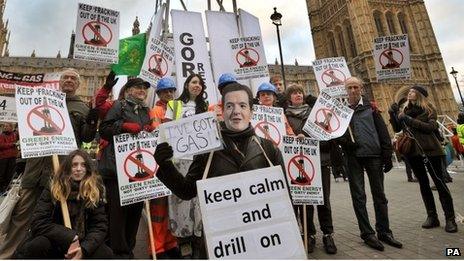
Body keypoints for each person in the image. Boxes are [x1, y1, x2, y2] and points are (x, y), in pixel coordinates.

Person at [0, 68, 98, 259]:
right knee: (21, 216)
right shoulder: (41, 99)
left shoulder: (82, 108)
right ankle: (6, 255)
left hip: (60, 171)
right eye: (65, 77)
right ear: (59, 82)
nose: (69, 80)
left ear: (78, 84)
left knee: (56, 218)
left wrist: (93, 120)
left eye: (73, 78)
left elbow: (86, 137)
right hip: (35, 169)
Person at [154, 83, 285, 199]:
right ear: (222, 112)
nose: (236, 111)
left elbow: (285, 198)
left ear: (251, 112)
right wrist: (166, 166)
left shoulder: (269, 149)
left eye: (242, 105)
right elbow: (187, 191)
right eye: (229, 106)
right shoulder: (207, 150)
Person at [339, 77, 402, 251]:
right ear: (346, 90)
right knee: (359, 196)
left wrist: (387, 154)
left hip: (373, 155)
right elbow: (337, 133)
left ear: (361, 88)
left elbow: (382, 130)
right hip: (353, 157)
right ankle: (367, 233)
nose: (353, 90)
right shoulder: (342, 111)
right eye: (350, 87)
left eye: (356, 87)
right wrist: (346, 142)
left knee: (379, 195)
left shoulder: (371, 107)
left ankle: (384, 231)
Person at [14, 150, 113, 258]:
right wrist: (70, 237)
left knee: (105, 253)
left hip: (83, 242)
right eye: (74, 165)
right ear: (67, 168)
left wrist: (84, 249)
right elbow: (39, 221)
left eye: (83, 165)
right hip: (55, 241)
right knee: (38, 245)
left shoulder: (94, 189)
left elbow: (99, 225)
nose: (79, 169)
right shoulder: (54, 187)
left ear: (88, 168)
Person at [389, 85, 458, 233]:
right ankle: (432, 217)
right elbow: (397, 129)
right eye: (410, 92)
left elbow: (430, 127)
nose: (409, 93)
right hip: (413, 152)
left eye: (413, 91)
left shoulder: (429, 109)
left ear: (420, 95)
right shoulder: (404, 110)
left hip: (431, 150)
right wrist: (393, 114)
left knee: (440, 183)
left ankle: (450, 219)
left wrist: (408, 119)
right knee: (424, 185)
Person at [98, 77, 154, 258]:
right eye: (138, 87)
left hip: (138, 170)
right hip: (116, 169)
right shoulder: (119, 106)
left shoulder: (146, 110)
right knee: (118, 213)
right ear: (128, 90)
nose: (142, 91)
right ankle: (119, 252)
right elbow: (104, 129)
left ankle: (129, 247)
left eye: (144, 89)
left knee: (135, 211)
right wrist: (123, 126)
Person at [284, 84, 337, 254]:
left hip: (320, 161)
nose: (298, 95)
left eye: (300, 92)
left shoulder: (316, 114)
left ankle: (328, 234)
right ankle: (309, 234)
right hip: (298, 166)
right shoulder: (284, 117)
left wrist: (307, 139)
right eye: (294, 93)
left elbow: (328, 139)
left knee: (323, 200)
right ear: (289, 98)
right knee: (305, 202)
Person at [165, 73, 209, 259]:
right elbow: (165, 130)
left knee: (197, 201)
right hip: (179, 158)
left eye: (200, 83)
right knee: (180, 200)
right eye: (194, 82)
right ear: (187, 85)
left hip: (198, 159)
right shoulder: (174, 105)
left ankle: (198, 240)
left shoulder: (205, 107)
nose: (197, 85)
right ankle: (184, 243)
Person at [147, 76, 181, 259]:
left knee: (172, 207)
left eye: (171, 91)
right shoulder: (156, 110)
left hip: (179, 162)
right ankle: (157, 247)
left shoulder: (179, 108)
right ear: (159, 93)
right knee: (158, 210)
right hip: (163, 163)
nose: (169, 93)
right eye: (165, 91)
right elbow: (158, 132)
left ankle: (170, 242)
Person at [0, 122, 18, 193]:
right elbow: (1, 145)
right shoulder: (1, 135)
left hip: (12, 157)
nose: (5, 127)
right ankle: (1, 188)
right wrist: (12, 144)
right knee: (2, 173)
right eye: (4, 126)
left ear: (11, 127)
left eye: (7, 126)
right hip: (3, 158)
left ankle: (7, 188)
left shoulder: (14, 134)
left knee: (10, 173)